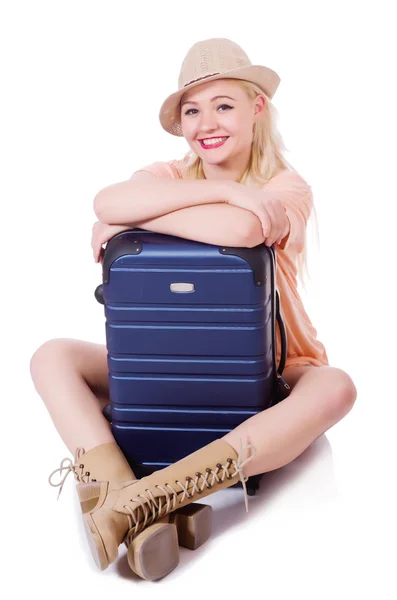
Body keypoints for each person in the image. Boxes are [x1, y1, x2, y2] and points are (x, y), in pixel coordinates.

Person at [30, 38, 357, 582]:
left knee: (337, 386)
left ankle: (146, 497)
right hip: (164, 366)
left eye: (224, 105)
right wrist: (226, 196)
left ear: (256, 109)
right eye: (192, 110)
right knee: (50, 356)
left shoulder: (285, 186)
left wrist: (140, 222)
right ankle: (120, 493)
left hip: (274, 371)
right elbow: (107, 203)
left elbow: (243, 232)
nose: (207, 122)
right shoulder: (169, 171)